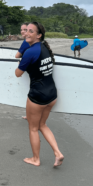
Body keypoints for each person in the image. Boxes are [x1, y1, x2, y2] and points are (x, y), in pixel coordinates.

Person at [15, 22, 64, 167]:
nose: (27, 33)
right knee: (42, 124)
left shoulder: (29, 52)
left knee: (33, 128)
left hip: (38, 97)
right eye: (26, 31)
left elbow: (18, 74)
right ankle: (57, 153)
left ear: (38, 35)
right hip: (52, 95)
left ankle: (36, 159)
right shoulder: (45, 48)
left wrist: (24, 61)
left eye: (31, 31)